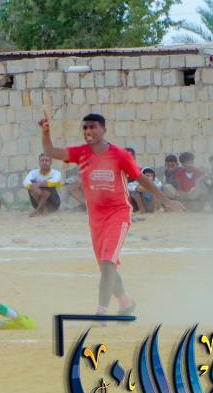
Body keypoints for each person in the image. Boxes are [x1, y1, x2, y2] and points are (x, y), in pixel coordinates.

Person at [40, 111, 181, 317]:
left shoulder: (120, 155)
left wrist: (166, 201)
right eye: (85, 127)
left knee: (107, 263)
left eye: (93, 127)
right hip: (95, 218)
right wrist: (45, 132)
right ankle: (125, 302)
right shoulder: (81, 153)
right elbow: (51, 151)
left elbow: (142, 179)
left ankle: (101, 311)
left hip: (118, 214)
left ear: (104, 130)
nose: (88, 131)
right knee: (106, 266)